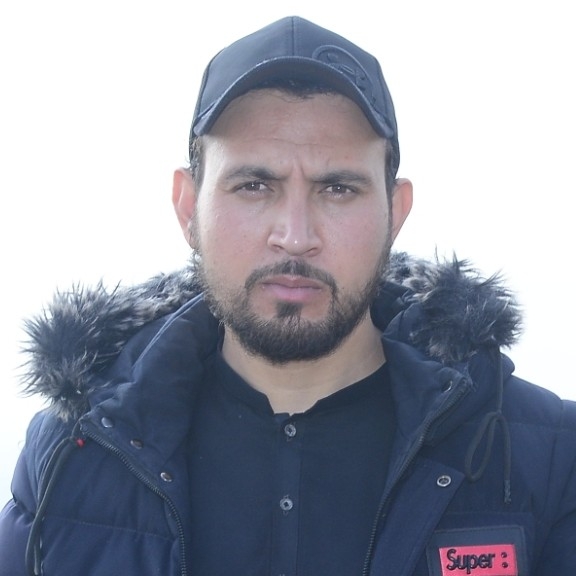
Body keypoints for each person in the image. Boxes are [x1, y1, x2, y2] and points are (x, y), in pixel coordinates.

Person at [1, 15, 575, 576]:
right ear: (188, 207)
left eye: (338, 188)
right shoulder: (72, 457)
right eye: (254, 186)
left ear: (395, 213)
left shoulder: (549, 457)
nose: (296, 236)